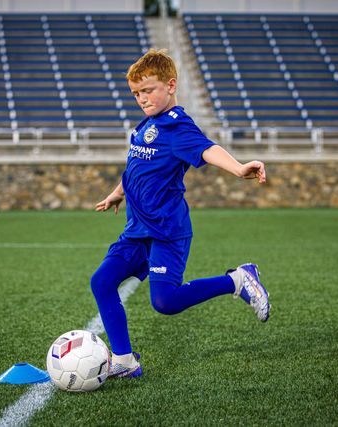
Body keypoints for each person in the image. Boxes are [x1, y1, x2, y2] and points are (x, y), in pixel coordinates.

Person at [91, 49, 270, 379]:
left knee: (166, 302)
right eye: (136, 94)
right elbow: (136, 168)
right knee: (102, 281)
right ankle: (125, 360)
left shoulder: (177, 128)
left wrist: (238, 168)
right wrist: (117, 194)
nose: (142, 99)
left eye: (148, 91)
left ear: (170, 85)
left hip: (167, 230)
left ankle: (238, 280)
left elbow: (207, 148)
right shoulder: (146, 124)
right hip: (137, 229)